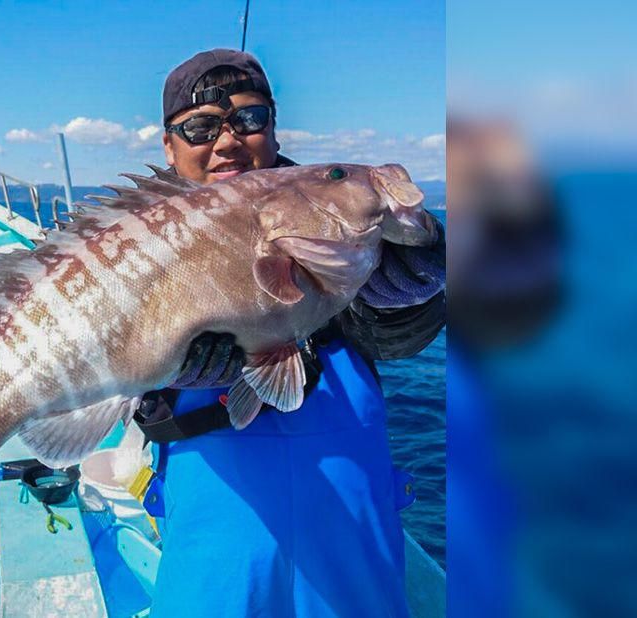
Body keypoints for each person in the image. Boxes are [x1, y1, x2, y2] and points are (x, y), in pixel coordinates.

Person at [134, 49, 445, 617]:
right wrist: (160, 365)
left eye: (250, 120)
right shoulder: (137, 243)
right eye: (199, 128)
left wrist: (414, 289)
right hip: (216, 500)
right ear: (169, 147)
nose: (228, 141)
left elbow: (394, 339)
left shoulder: (331, 219)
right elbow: (98, 348)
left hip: (350, 504)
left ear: (273, 130)